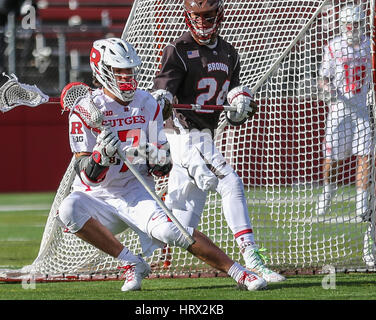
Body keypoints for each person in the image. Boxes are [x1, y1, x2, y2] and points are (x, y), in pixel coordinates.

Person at [57, 37, 268, 292]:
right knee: (68, 209)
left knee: (172, 231)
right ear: (102, 70)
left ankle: (240, 272)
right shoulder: (85, 110)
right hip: (98, 198)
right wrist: (101, 156)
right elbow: (86, 174)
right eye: (119, 71)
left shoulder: (146, 104)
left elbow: (162, 169)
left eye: (130, 70)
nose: (127, 76)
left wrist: (151, 154)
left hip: (136, 192)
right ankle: (131, 262)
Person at [151, 0, 285, 283]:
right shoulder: (179, 50)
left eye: (208, 16)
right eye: (196, 17)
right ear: (188, 17)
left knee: (179, 228)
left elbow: (229, 108)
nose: (202, 22)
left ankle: (136, 242)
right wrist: (161, 97)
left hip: (204, 136)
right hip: (183, 134)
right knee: (230, 182)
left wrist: (240, 109)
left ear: (219, 15)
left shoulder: (230, 53)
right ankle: (252, 259)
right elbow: (162, 95)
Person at [316, 3, 372, 221]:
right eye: (350, 25)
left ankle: (361, 204)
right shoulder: (333, 46)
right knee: (332, 157)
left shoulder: (370, 45)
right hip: (340, 108)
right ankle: (327, 193)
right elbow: (323, 78)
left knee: (365, 155)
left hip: (362, 107)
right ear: (342, 26)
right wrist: (327, 88)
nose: (353, 29)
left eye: (357, 24)